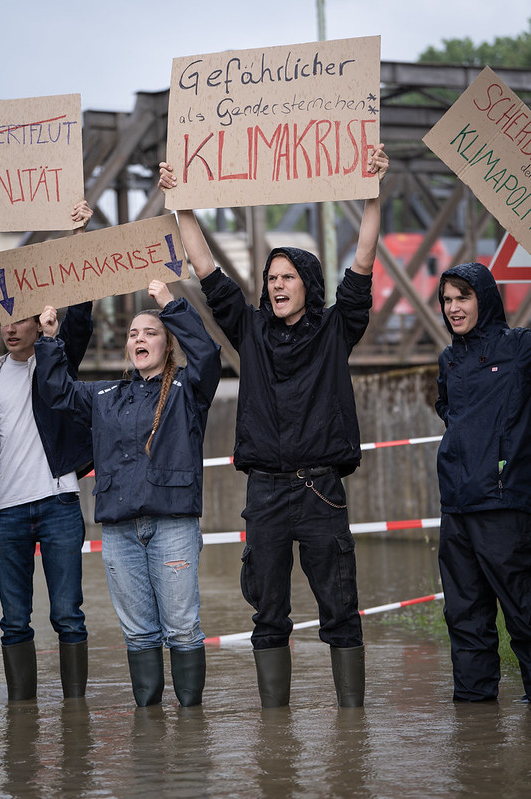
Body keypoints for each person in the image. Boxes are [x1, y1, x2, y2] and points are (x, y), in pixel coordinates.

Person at [158, 145, 389, 708]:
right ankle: (274, 730)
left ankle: (351, 725)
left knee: (340, 605)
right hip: (264, 492)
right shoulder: (250, 329)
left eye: (288, 276)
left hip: (321, 490)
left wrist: (373, 194)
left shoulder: (337, 328)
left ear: (308, 283)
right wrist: (180, 202)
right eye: (271, 277)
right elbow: (207, 271)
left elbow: (362, 264)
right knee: (268, 612)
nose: (277, 284)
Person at [34, 280, 221, 708]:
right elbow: (57, 390)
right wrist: (49, 339)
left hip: (173, 526)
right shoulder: (105, 396)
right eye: (134, 333)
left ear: (168, 345)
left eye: (150, 333)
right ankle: (149, 726)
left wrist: (171, 305)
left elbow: (208, 354)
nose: (140, 339)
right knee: (138, 633)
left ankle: (191, 727)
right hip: (119, 532)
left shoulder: (188, 390)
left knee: (182, 628)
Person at [0, 201, 94, 702]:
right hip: (5, 511)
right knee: (13, 620)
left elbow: (80, 312)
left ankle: (75, 713)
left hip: (58, 504)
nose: (11, 327)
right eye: (4, 319)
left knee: (67, 615)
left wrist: (78, 235)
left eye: (20, 319)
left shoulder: (56, 362)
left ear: (40, 322)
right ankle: (23, 713)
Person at [436, 262, 531, 702]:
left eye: (463, 297)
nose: (453, 308)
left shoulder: (520, 347)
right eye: (447, 300)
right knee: (465, 618)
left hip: (503, 504)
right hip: (456, 506)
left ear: (486, 299)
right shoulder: (448, 359)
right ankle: (475, 719)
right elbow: (448, 412)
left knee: (523, 613)